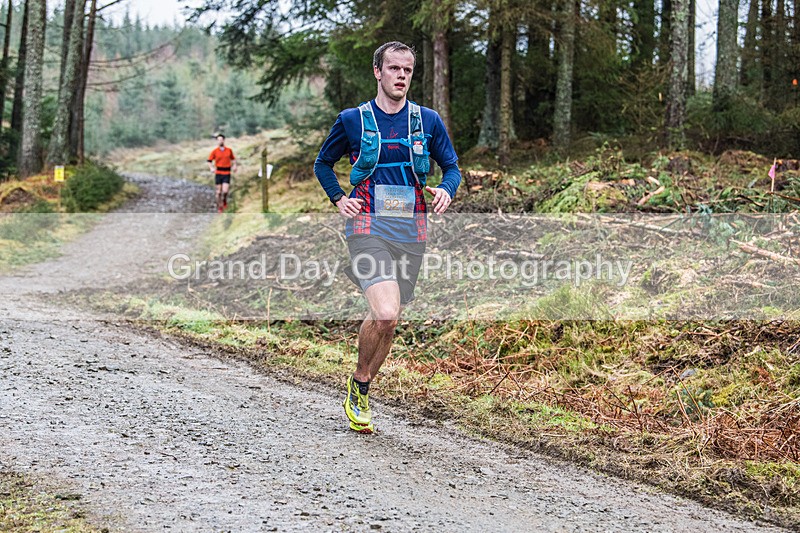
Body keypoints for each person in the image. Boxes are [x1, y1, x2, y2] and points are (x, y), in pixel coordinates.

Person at [314, 41, 462, 433]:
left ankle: (360, 381)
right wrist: (338, 199)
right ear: (377, 72)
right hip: (367, 227)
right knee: (384, 311)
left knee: (390, 319)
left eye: (407, 70)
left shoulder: (426, 120)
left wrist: (447, 188)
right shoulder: (352, 120)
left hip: (411, 230)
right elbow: (323, 163)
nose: (400, 76)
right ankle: (361, 388)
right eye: (393, 68)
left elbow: (451, 166)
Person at [207, 134, 237, 212]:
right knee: (219, 192)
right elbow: (209, 161)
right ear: (217, 141)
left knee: (225, 191)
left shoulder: (229, 150)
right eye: (218, 140)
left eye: (221, 139)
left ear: (224, 140)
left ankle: (224, 201)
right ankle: (219, 206)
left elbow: (233, 159)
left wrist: (234, 166)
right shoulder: (215, 151)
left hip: (227, 172)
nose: (220, 141)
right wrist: (211, 168)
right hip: (218, 172)